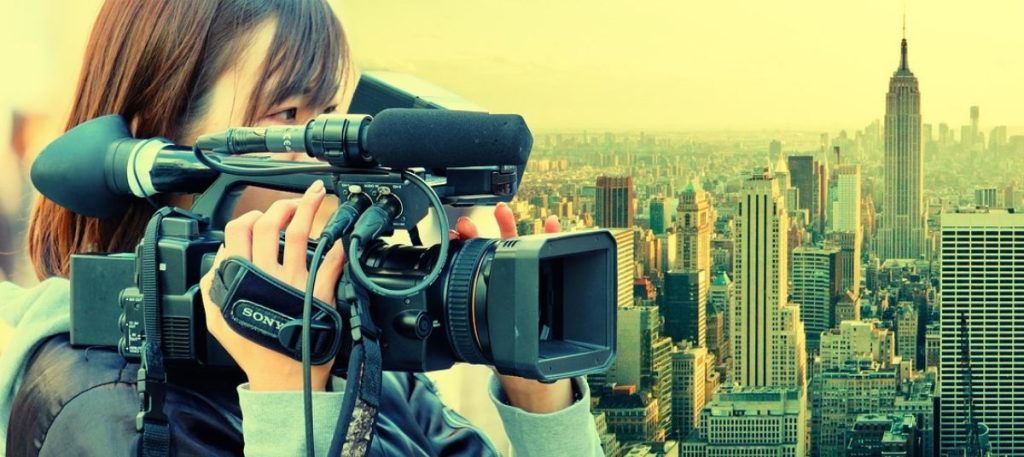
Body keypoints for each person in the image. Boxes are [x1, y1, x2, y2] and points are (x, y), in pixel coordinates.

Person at [0, 0, 602, 455]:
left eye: (335, 119)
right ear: (160, 146)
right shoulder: (105, 412)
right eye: (287, 120)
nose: (330, 169)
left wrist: (535, 388)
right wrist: (293, 407)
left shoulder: (348, 341)